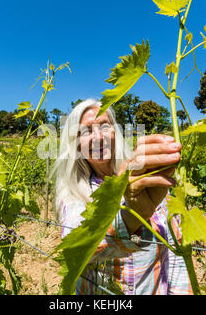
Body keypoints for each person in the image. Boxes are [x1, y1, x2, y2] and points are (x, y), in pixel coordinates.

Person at [53, 98, 192, 295]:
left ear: (115, 133)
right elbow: (76, 246)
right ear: (76, 145)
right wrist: (131, 216)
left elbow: (177, 256)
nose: (98, 137)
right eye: (85, 131)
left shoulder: (146, 179)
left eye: (104, 126)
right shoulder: (74, 194)